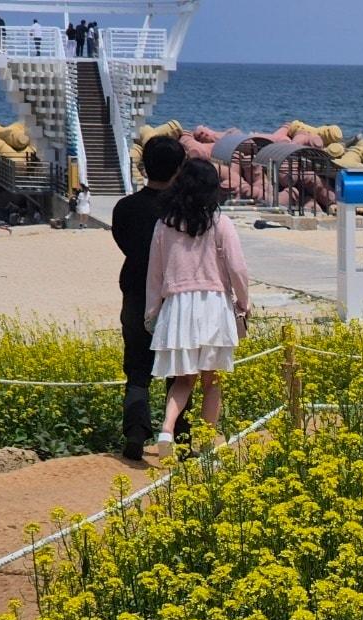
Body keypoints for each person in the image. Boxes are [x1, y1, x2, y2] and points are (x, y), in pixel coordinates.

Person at [145, 158, 250, 455]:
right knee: (212, 381)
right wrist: (244, 302)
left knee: (183, 378)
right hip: (213, 305)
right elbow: (238, 268)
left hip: (178, 306)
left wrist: (152, 311)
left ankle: (166, 430)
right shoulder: (220, 222)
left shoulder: (164, 224)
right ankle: (203, 447)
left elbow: (155, 272)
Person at [113, 134, 188, 461]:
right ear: (179, 169)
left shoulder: (126, 207)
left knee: (137, 369)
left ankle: (135, 432)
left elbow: (124, 243)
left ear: (144, 166)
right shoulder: (184, 210)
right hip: (175, 296)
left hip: (135, 293)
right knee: (181, 370)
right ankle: (179, 436)